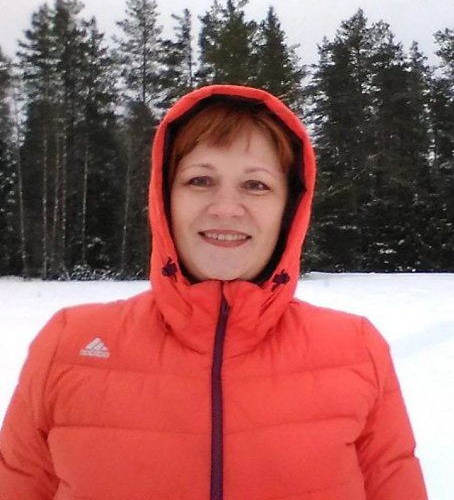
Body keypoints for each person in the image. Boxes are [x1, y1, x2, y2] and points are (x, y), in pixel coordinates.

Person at [0, 84, 427, 500]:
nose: (225, 208)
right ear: (165, 198)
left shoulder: (357, 348)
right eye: (200, 180)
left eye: (256, 185)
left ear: (289, 209)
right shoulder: (69, 344)